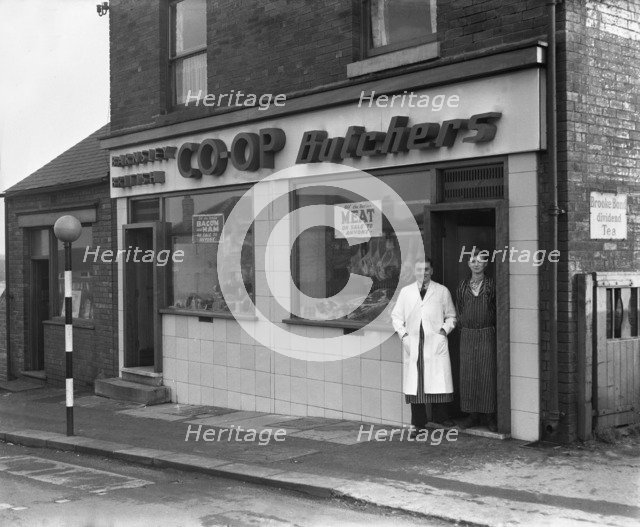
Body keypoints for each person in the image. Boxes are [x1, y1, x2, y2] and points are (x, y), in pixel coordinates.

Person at [392, 258, 457, 434]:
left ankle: (441, 418)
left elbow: (451, 316)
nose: (423, 273)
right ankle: (418, 423)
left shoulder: (442, 291)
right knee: (417, 384)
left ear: (432, 270)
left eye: (427, 269)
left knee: (437, 380)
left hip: (434, 341)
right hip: (413, 343)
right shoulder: (406, 292)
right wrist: (404, 335)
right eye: (420, 269)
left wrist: (444, 330)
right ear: (415, 272)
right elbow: (396, 317)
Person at [456, 252, 497, 432]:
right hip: (467, 335)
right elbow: (459, 308)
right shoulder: (463, 285)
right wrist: (464, 327)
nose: (477, 264)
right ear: (468, 263)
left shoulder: (492, 285)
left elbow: (497, 309)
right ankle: (471, 415)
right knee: (468, 374)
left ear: (486, 264)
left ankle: (489, 416)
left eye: (481, 261)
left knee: (487, 373)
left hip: (487, 333)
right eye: (473, 261)